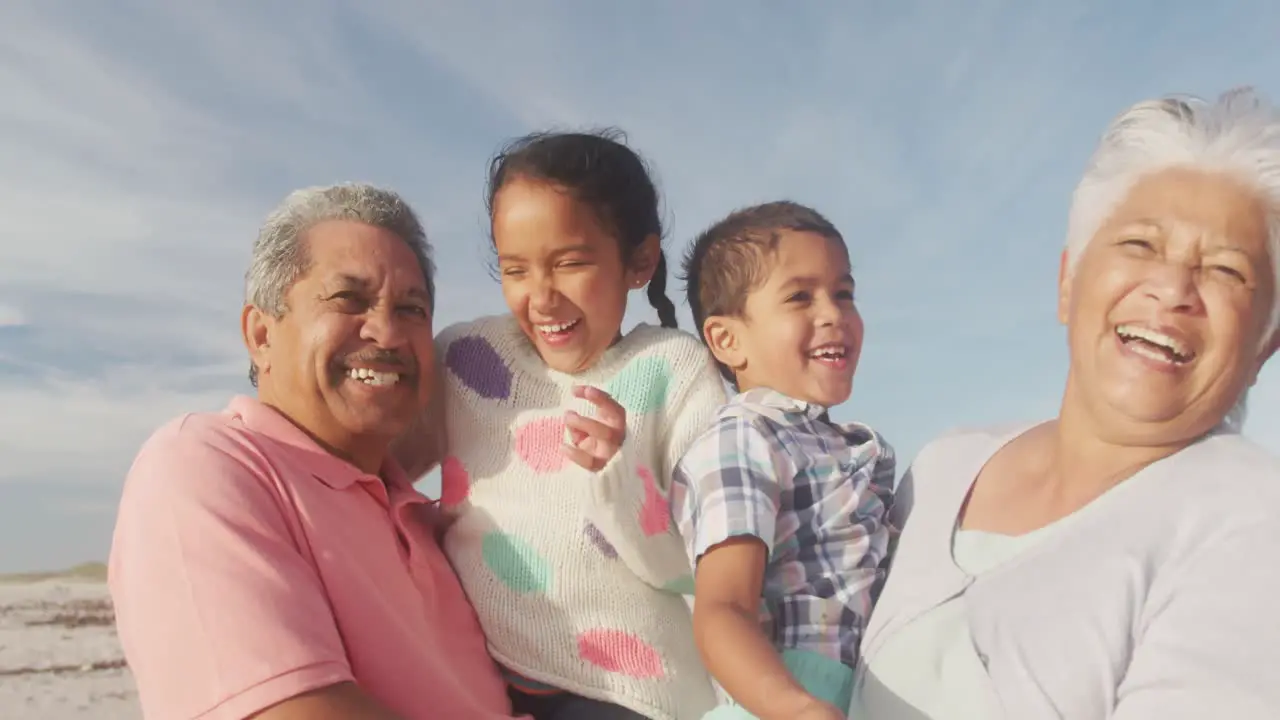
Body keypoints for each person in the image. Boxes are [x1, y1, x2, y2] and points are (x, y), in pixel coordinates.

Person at [855, 88, 1280, 719]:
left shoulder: (1252, 523)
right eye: (1140, 245)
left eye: (1225, 270)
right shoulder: (944, 466)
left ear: (1265, 344)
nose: (1172, 290)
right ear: (1067, 282)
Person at [108, 184, 522, 720]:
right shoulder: (205, 465)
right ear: (260, 334)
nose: (387, 331)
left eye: (412, 308)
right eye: (349, 300)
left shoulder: (426, 515)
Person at [395, 130, 725, 720]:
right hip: (476, 672)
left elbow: (699, 571)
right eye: (515, 269)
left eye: (570, 263)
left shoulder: (673, 370)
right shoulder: (465, 358)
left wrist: (620, 479)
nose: (541, 297)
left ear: (639, 260)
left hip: (626, 694)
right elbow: (381, 470)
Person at [671, 201, 897, 720]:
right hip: (790, 693)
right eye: (800, 297)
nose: (833, 314)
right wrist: (793, 708)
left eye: (844, 294)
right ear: (727, 340)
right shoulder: (743, 439)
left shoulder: (838, 446)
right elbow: (723, 608)